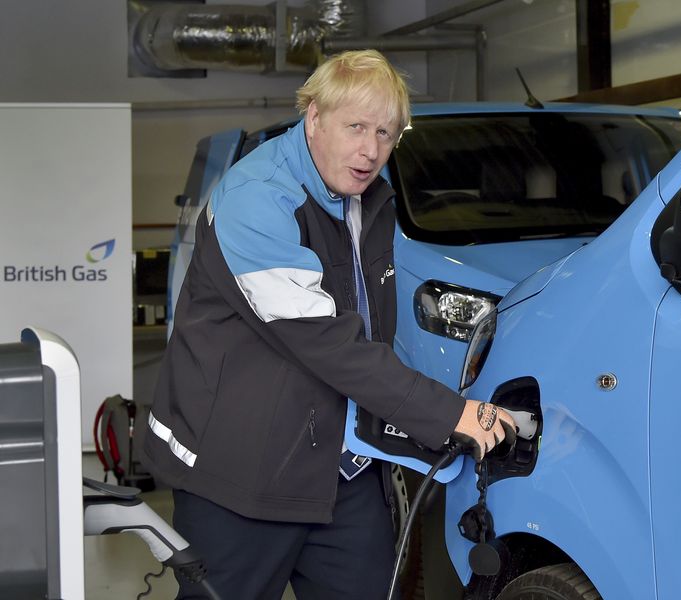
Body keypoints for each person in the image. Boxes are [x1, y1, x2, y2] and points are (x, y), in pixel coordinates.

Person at [142, 49, 515, 599]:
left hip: (341, 468)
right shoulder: (259, 200)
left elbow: (379, 326)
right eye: (356, 127)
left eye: (387, 133)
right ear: (313, 117)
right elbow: (329, 344)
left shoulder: (365, 197)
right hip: (239, 472)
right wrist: (449, 413)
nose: (371, 150)